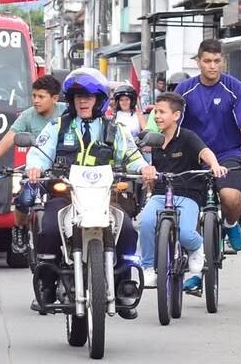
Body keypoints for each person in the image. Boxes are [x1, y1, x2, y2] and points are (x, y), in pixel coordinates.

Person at [28, 68, 153, 319]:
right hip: (65, 194)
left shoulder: (114, 129)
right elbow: (40, 153)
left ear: (99, 100)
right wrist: (35, 166)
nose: (83, 101)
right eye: (77, 97)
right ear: (71, 100)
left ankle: (123, 285)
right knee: (49, 227)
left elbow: (131, 156)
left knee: (127, 228)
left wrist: (144, 167)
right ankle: (47, 283)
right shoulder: (57, 127)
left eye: (88, 96)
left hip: (105, 195)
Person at [175, 40, 241, 252]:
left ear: (222, 61)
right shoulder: (184, 90)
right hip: (193, 155)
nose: (212, 66)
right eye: (207, 61)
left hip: (227, 153)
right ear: (198, 62)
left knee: (231, 198)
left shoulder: (235, 88)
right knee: (184, 210)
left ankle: (230, 225)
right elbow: (170, 123)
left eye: (216, 61)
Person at [138, 92, 228, 290]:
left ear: (176, 115)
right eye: (155, 112)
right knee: (145, 223)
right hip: (161, 193)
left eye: (162, 112)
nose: (157, 116)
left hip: (188, 194)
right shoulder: (154, 139)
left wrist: (214, 165)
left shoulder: (187, 136)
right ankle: (148, 268)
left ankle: (197, 248)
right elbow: (139, 157)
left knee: (186, 233)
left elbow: (205, 152)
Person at [0, 75, 66, 252]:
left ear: (55, 98)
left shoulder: (67, 113)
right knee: (25, 199)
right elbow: (9, 138)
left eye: (41, 97)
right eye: (34, 96)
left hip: (66, 170)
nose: (36, 101)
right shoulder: (28, 115)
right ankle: (19, 228)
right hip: (37, 171)